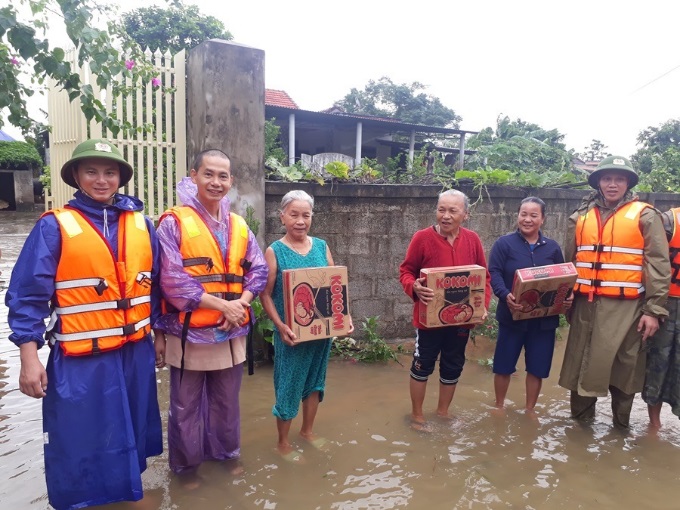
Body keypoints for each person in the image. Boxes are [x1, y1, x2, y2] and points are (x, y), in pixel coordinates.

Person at [5, 139, 163, 509]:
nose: (102, 180)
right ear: (76, 175)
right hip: (81, 359)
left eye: (110, 172)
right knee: (80, 437)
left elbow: (153, 287)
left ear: (120, 178)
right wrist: (29, 358)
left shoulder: (142, 224)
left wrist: (159, 335)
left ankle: (126, 497)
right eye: (91, 171)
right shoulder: (54, 227)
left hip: (135, 351)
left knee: (131, 431)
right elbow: (28, 296)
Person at [154, 149, 267, 474]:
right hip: (189, 332)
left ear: (231, 181)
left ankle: (225, 455)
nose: (216, 182)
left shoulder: (239, 225)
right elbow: (172, 281)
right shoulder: (172, 223)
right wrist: (224, 306)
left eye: (223, 176)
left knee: (226, 402)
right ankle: (187, 468)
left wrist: (241, 304)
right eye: (209, 174)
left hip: (231, 329)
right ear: (194, 176)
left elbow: (257, 271)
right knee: (185, 405)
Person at [559, 156, 670, 428]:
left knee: (625, 367)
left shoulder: (645, 215)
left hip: (628, 308)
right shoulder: (580, 217)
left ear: (628, 183)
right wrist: (566, 297)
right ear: (598, 182)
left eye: (619, 179)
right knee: (581, 365)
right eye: (607, 178)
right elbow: (569, 261)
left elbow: (658, 264)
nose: (612, 184)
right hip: (586, 304)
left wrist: (653, 310)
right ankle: (580, 429)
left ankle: (621, 429)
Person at [260, 190, 353, 461]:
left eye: (306, 215)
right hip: (291, 336)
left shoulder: (322, 246)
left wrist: (345, 318)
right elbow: (265, 293)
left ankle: (308, 432)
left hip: (320, 335)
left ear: (312, 217)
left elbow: (336, 287)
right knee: (288, 385)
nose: (300, 221)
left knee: (315, 383)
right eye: (294, 215)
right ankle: (282, 443)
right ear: (282, 217)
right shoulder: (274, 251)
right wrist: (280, 326)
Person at [399, 189, 491, 430]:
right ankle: (417, 416)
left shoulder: (472, 240)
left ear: (465, 214)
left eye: (453, 210)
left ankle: (443, 412)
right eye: (442, 210)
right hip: (428, 318)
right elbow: (406, 271)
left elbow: (484, 277)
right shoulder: (422, 238)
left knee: (453, 364)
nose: (446, 216)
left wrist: (482, 307)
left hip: (461, 319)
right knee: (422, 363)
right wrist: (414, 287)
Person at [489, 197, 571, 414]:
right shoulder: (504, 244)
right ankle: (499, 406)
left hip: (543, 322)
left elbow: (562, 277)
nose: (527, 219)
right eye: (523, 214)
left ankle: (530, 410)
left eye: (533, 215)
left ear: (542, 219)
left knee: (537, 368)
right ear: (517, 216)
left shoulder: (552, 248)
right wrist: (505, 295)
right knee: (503, 365)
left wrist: (567, 297)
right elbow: (494, 273)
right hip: (512, 316)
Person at [643, 207, 680, 429]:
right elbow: (651, 260)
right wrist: (652, 309)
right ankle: (654, 426)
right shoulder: (669, 220)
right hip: (667, 302)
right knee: (657, 363)